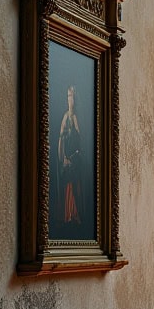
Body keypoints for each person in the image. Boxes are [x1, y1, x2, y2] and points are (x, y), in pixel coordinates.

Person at [57, 84, 83, 223]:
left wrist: (74, 157)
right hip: (68, 161)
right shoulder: (66, 117)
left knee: (76, 188)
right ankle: (69, 214)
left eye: (72, 96)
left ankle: (75, 214)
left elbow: (80, 139)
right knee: (69, 187)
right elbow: (61, 139)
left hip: (76, 159)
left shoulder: (77, 117)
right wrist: (63, 159)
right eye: (68, 96)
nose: (70, 99)